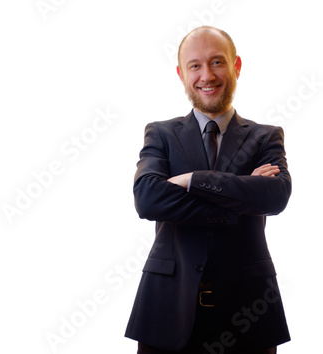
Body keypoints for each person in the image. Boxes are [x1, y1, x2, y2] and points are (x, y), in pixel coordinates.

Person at [124, 26, 291, 354]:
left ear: (236, 66)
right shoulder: (161, 134)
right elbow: (147, 199)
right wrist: (241, 199)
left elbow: (275, 196)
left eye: (217, 62)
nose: (207, 75)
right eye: (195, 65)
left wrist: (191, 179)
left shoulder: (266, 136)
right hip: (166, 308)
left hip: (249, 311)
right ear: (181, 74)